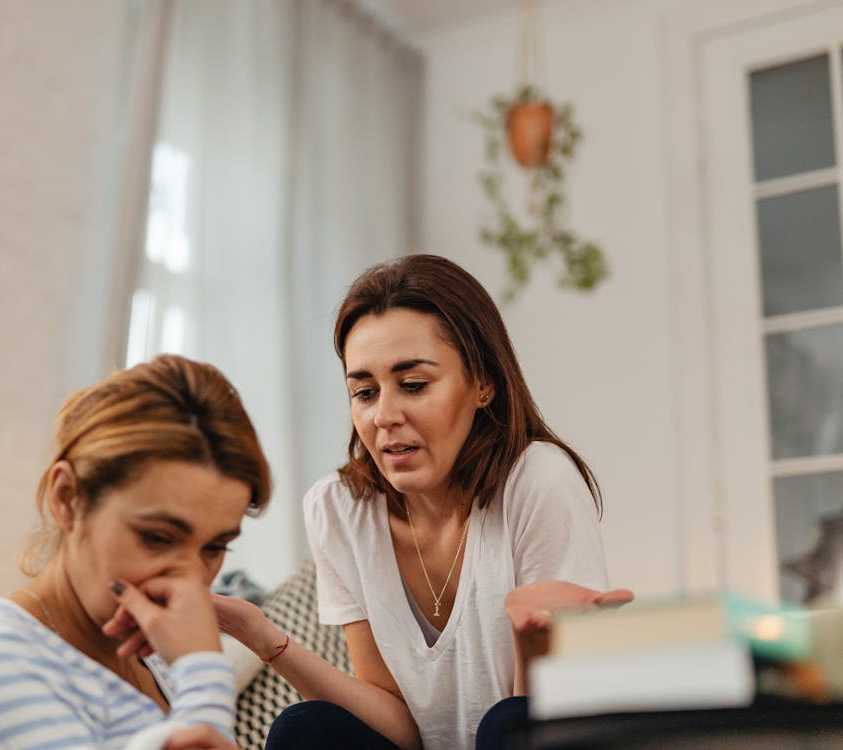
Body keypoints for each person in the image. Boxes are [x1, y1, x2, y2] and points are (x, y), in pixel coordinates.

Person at [214, 254, 632, 750]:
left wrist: (530, 638)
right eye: (364, 392)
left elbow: (550, 724)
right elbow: (397, 729)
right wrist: (264, 639)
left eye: (413, 385)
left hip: (533, 734)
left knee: (508, 722)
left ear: (483, 383)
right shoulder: (337, 508)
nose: (384, 415)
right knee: (302, 728)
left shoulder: (538, 480)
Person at [0, 354, 272, 750]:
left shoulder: (152, 661)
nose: (191, 582)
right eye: (157, 537)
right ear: (67, 498)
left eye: (215, 547)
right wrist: (204, 675)